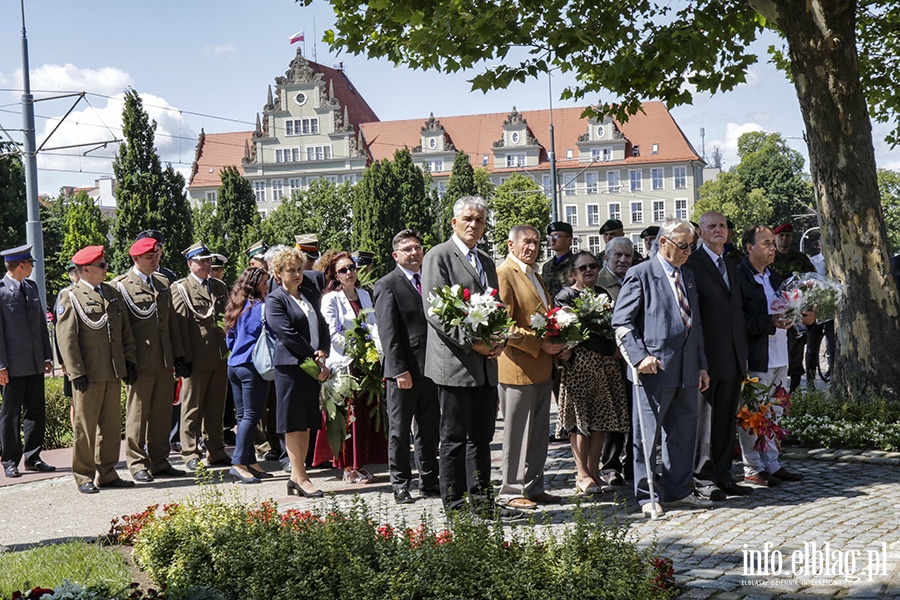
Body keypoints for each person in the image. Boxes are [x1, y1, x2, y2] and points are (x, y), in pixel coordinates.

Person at [421, 196, 521, 519]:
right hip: (456, 364)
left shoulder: (487, 262)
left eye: (479, 220)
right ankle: (455, 504)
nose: (473, 224)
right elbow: (436, 313)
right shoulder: (439, 257)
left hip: (486, 365)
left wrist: (500, 339)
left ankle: (481, 500)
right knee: (453, 437)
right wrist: (472, 343)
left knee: (481, 436)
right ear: (454, 222)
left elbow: (495, 309)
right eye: (467, 218)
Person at [611, 218, 711, 516]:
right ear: (663, 242)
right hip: (653, 370)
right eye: (682, 246)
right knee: (647, 436)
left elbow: (695, 326)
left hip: (686, 369)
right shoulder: (640, 274)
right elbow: (622, 321)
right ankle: (646, 495)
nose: (688, 252)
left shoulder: (688, 275)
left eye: (691, 246)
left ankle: (678, 490)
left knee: (682, 435)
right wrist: (640, 356)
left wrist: (702, 365)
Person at [55, 246, 137, 493]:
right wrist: (76, 372)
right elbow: (66, 338)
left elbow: (125, 331)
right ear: (86, 270)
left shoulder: (111, 293)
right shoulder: (70, 296)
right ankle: (83, 475)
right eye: (101, 266)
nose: (106, 269)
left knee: (111, 427)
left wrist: (129, 361)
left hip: (112, 370)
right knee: (85, 428)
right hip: (88, 374)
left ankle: (108, 472)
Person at [496, 225, 564, 510]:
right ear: (511, 244)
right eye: (526, 242)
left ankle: (534, 486)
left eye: (536, 242)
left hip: (542, 367)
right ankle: (510, 490)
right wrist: (540, 345)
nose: (532, 247)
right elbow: (503, 325)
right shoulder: (505, 273)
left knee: (537, 434)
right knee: (516, 434)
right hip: (517, 367)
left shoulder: (535, 274)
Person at [686, 212, 751, 501]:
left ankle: (724, 474)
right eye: (711, 226)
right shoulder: (692, 264)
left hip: (733, 358)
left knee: (726, 421)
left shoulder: (731, 263)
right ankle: (702, 478)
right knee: (706, 423)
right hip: (708, 360)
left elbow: (737, 311)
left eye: (722, 225)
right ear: (699, 233)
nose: (718, 230)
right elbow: (695, 318)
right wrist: (700, 361)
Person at [111, 237, 188, 483]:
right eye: (149, 258)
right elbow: (121, 328)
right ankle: (136, 462)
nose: (155, 261)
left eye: (156, 256)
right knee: (138, 414)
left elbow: (171, 323)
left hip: (164, 359)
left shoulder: (163, 282)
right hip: (141, 361)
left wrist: (178, 354)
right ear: (135, 259)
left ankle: (159, 460)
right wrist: (127, 361)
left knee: (162, 415)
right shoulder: (122, 286)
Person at [373, 229, 441, 504]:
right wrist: (399, 370)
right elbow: (388, 332)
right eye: (408, 249)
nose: (414, 253)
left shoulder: (430, 281)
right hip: (403, 372)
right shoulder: (387, 284)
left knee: (428, 430)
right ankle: (400, 484)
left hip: (431, 368)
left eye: (417, 248)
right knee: (400, 432)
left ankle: (429, 481)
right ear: (396, 255)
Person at [737, 226, 806, 487]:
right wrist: (769, 322)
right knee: (752, 413)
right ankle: (752, 467)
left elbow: (786, 307)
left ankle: (772, 464)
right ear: (749, 247)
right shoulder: (739, 277)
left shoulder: (776, 277)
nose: (772, 247)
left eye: (773, 243)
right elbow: (737, 321)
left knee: (774, 411)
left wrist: (799, 316)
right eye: (766, 243)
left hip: (780, 354)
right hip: (755, 356)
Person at [555, 251, 629, 495]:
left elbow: (609, 327)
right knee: (579, 422)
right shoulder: (566, 297)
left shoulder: (602, 294)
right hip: (579, 367)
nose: (589, 271)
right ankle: (581, 474)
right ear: (573, 272)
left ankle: (595, 471)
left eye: (593, 266)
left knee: (599, 421)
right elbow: (576, 335)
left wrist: (610, 343)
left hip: (605, 367)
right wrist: (606, 344)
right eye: (583, 267)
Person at [313, 251, 388, 482]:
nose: (350, 273)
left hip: (366, 363)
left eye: (352, 268)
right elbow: (332, 331)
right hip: (344, 363)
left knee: (366, 414)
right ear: (335, 275)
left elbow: (373, 324)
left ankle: (361, 462)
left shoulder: (364, 295)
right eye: (343, 270)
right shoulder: (331, 298)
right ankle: (347, 467)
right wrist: (357, 349)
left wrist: (376, 349)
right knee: (348, 417)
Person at [266, 246, 331, 498]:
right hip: (291, 367)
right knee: (293, 424)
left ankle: (296, 477)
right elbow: (287, 334)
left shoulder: (307, 294)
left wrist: (323, 350)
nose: (296, 274)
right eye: (290, 270)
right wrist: (313, 357)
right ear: (278, 273)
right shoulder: (275, 300)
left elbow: (321, 324)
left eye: (299, 269)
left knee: (306, 423)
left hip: (311, 365)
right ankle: (302, 477)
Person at [172, 242, 230, 471]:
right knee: (192, 407)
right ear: (190, 264)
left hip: (219, 355)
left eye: (208, 261)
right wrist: (182, 357)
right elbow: (179, 325)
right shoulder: (181, 288)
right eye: (201, 261)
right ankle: (190, 452)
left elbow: (226, 319)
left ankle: (216, 450)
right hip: (196, 358)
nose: (206, 265)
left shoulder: (219, 286)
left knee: (216, 408)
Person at [0, 245, 54, 477]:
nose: (33, 266)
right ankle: (10, 460)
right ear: (21, 265)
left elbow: (41, 324)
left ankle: (33, 457)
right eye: (30, 263)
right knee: (10, 414)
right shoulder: (1, 292)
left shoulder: (31, 287)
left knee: (35, 412)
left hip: (33, 363)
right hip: (12, 367)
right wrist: (1, 365)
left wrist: (47, 355)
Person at [225, 267, 273, 484]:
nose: (267, 286)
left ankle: (250, 460)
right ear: (255, 285)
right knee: (251, 416)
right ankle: (238, 463)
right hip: (252, 366)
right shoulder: (261, 308)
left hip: (234, 365)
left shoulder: (237, 306)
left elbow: (229, 340)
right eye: (264, 282)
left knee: (243, 415)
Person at [595, 236, 635, 486]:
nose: (622, 260)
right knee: (613, 415)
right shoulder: (598, 282)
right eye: (617, 255)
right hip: (609, 358)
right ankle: (610, 466)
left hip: (635, 357)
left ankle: (634, 464)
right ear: (606, 257)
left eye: (627, 256)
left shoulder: (636, 277)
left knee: (636, 413)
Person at [770, 223, 816, 391]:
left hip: (796, 311)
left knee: (796, 347)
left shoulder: (801, 259)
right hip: (774, 310)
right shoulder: (770, 256)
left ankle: (794, 388)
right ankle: (775, 386)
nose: (784, 238)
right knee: (774, 347)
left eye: (788, 235)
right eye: (781, 235)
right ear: (775, 238)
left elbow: (812, 280)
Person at [540, 221, 575, 300]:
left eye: (556, 236)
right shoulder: (547, 267)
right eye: (550, 236)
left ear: (569, 240)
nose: (552, 240)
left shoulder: (576, 263)